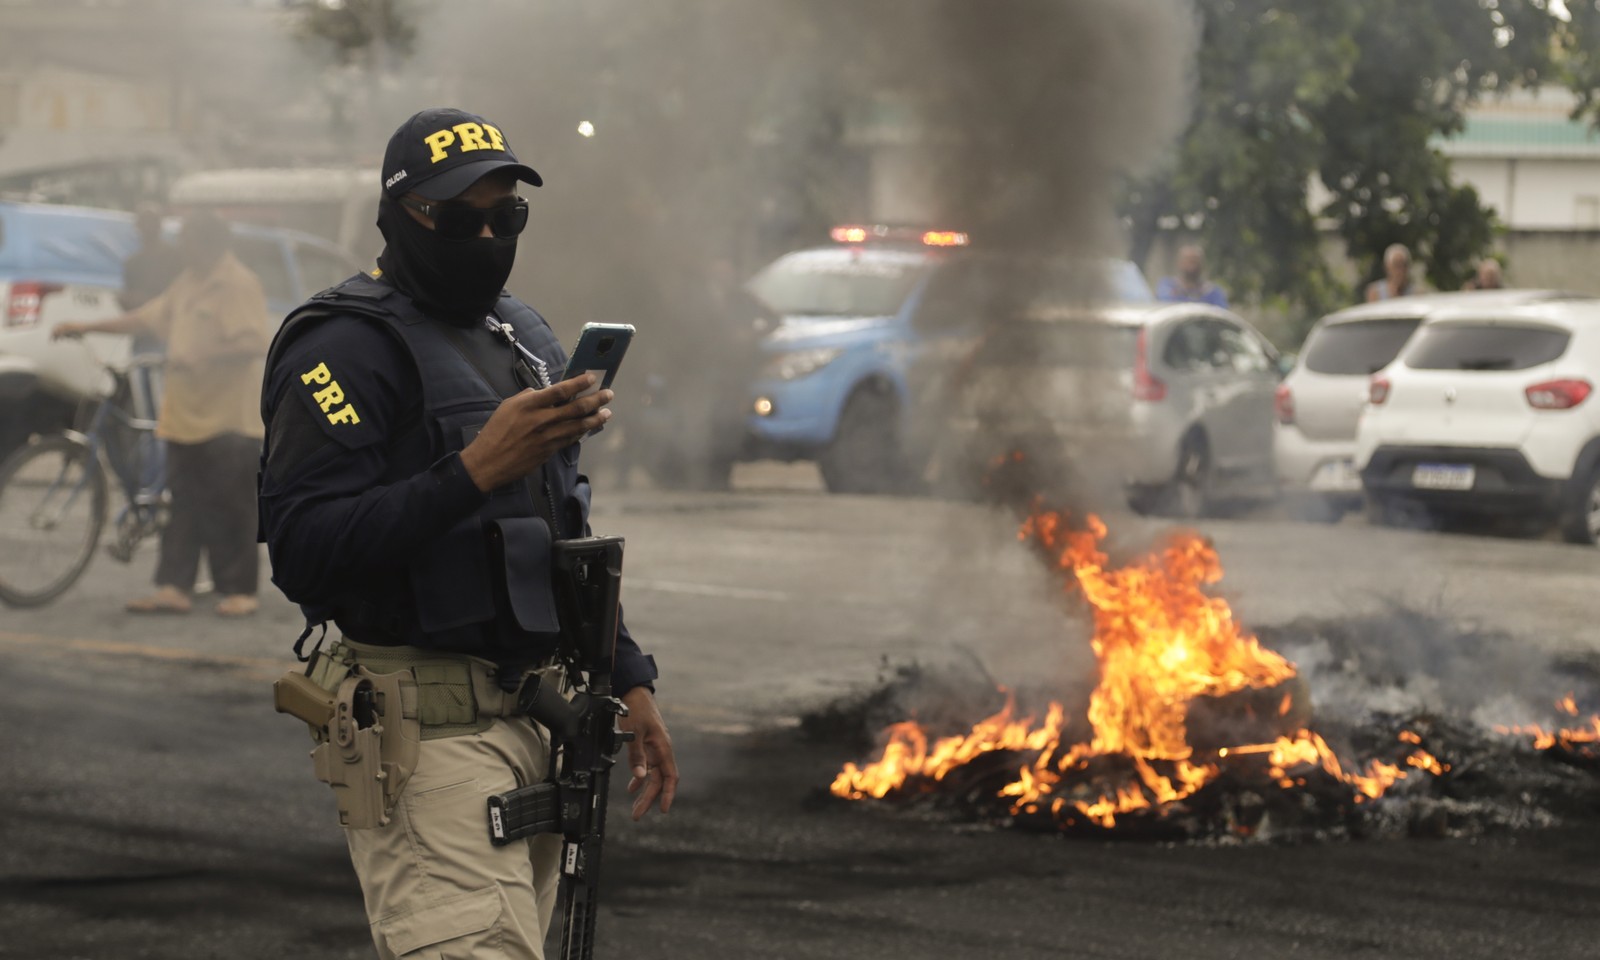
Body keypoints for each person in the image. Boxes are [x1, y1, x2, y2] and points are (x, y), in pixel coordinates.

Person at [256, 107, 678, 959]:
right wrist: (474, 469)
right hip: (426, 735)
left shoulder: (518, 336)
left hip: (540, 723)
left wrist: (629, 678)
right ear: (401, 217)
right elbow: (303, 549)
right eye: (459, 219)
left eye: (506, 217)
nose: (487, 236)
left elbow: (560, 527)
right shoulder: (340, 348)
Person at [53, 211, 269, 617]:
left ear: (208, 244)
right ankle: (174, 588)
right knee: (183, 507)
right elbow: (144, 317)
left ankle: (240, 591)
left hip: (228, 421)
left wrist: (202, 354)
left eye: (187, 240)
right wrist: (86, 325)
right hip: (185, 417)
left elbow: (254, 341)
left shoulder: (238, 284)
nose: (181, 248)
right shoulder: (188, 281)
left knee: (232, 507)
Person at [1156, 245, 1229, 308]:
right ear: (1180, 263)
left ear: (1202, 264)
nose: (1192, 266)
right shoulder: (1168, 287)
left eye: (1195, 261)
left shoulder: (1212, 292)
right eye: (1188, 261)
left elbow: (1221, 313)